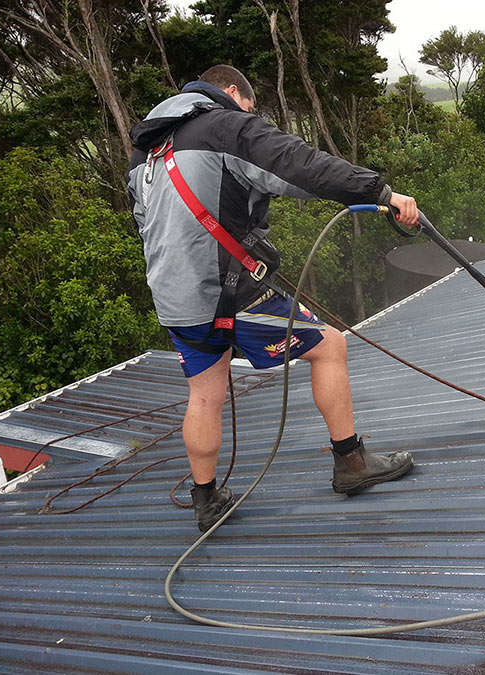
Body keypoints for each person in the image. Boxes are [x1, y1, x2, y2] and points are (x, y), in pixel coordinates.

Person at [127, 65, 418, 532]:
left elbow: (146, 223)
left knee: (204, 395)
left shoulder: (145, 153)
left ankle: (206, 501)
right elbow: (294, 162)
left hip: (176, 300)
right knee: (330, 345)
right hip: (230, 295)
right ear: (229, 92)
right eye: (248, 104)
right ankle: (353, 464)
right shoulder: (225, 126)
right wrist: (379, 192)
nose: (250, 113)